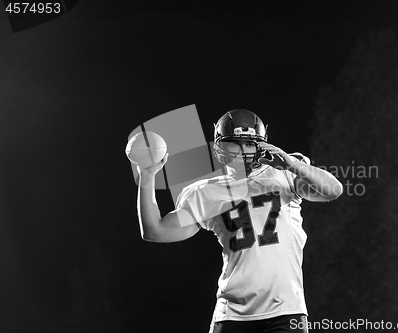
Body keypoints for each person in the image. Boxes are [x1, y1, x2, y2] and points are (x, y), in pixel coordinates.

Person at [136, 109, 343, 333]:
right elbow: (155, 231)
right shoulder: (205, 192)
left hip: (286, 311)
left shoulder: (284, 174)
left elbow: (334, 190)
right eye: (235, 142)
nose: (243, 150)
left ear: (261, 145)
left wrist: (294, 165)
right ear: (219, 146)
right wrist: (147, 178)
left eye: (250, 143)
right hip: (232, 313)